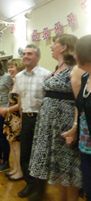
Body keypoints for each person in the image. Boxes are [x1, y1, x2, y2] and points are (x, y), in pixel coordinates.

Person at [29, 34, 84, 201]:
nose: (51, 47)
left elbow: (79, 101)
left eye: (55, 44)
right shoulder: (57, 68)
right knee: (58, 168)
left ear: (64, 47)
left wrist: (74, 128)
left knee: (68, 168)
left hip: (64, 124)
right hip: (50, 126)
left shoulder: (75, 69)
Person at [14, 44, 52, 201]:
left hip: (41, 118)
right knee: (25, 153)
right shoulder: (19, 76)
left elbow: (49, 101)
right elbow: (21, 99)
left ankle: (40, 188)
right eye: (24, 54)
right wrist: (22, 118)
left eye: (29, 54)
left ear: (38, 57)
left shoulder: (46, 75)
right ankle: (29, 183)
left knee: (40, 154)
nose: (25, 57)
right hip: (27, 119)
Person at [0, 59, 24, 181]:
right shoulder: (15, 82)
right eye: (9, 67)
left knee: (17, 146)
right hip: (11, 117)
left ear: (19, 67)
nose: (10, 70)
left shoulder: (21, 82)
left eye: (12, 67)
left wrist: (7, 110)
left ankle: (20, 171)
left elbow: (21, 105)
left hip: (17, 117)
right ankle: (15, 168)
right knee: (12, 145)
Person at [72, 34, 91, 201]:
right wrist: (74, 129)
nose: (73, 56)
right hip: (85, 144)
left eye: (76, 52)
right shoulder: (85, 77)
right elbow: (82, 109)